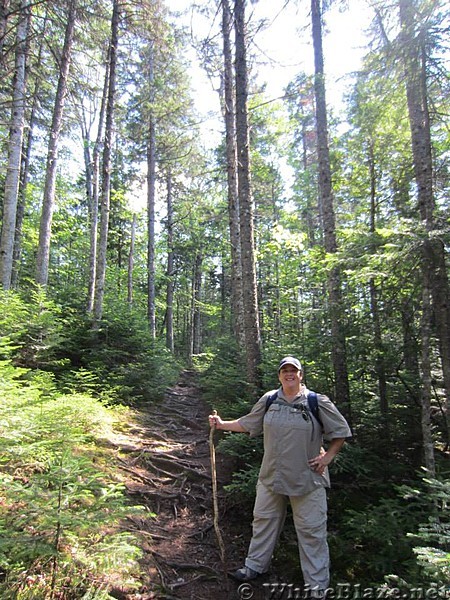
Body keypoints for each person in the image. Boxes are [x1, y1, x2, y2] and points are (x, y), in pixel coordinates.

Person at [208, 356, 352, 598]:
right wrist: (221, 425)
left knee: (311, 531)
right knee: (263, 521)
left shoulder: (317, 402)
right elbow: (248, 423)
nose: (289, 374)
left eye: (293, 370)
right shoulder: (269, 400)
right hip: (271, 475)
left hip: (307, 478)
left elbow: (341, 431)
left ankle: (317, 588)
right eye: (284, 371)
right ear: (279, 375)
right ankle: (254, 567)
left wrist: (328, 457)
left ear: (301, 374)